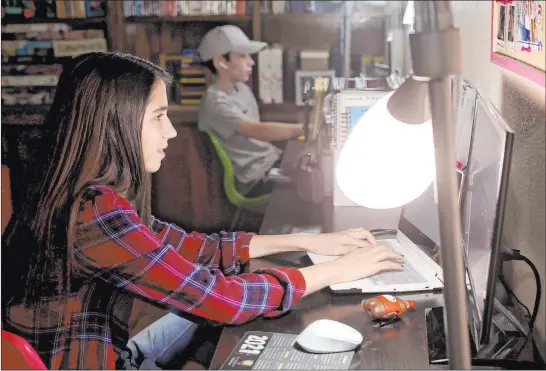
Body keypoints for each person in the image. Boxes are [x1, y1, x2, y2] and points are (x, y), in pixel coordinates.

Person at [1, 52, 404, 370]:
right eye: (159, 117)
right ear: (117, 124)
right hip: (97, 363)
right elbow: (222, 299)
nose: (172, 132)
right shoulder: (95, 215)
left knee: (229, 320)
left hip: (115, 351)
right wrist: (340, 270)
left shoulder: (79, 193)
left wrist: (311, 241)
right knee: (234, 316)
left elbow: (195, 248)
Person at [197, 25, 304, 196]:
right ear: (220, 62)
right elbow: (256, 130)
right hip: (254, 179)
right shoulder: (215, 102)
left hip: (269, 164)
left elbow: (256, 137)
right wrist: (302, 128)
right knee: (311, 186)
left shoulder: (242, 90)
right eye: (242, 55)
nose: (251, 61)